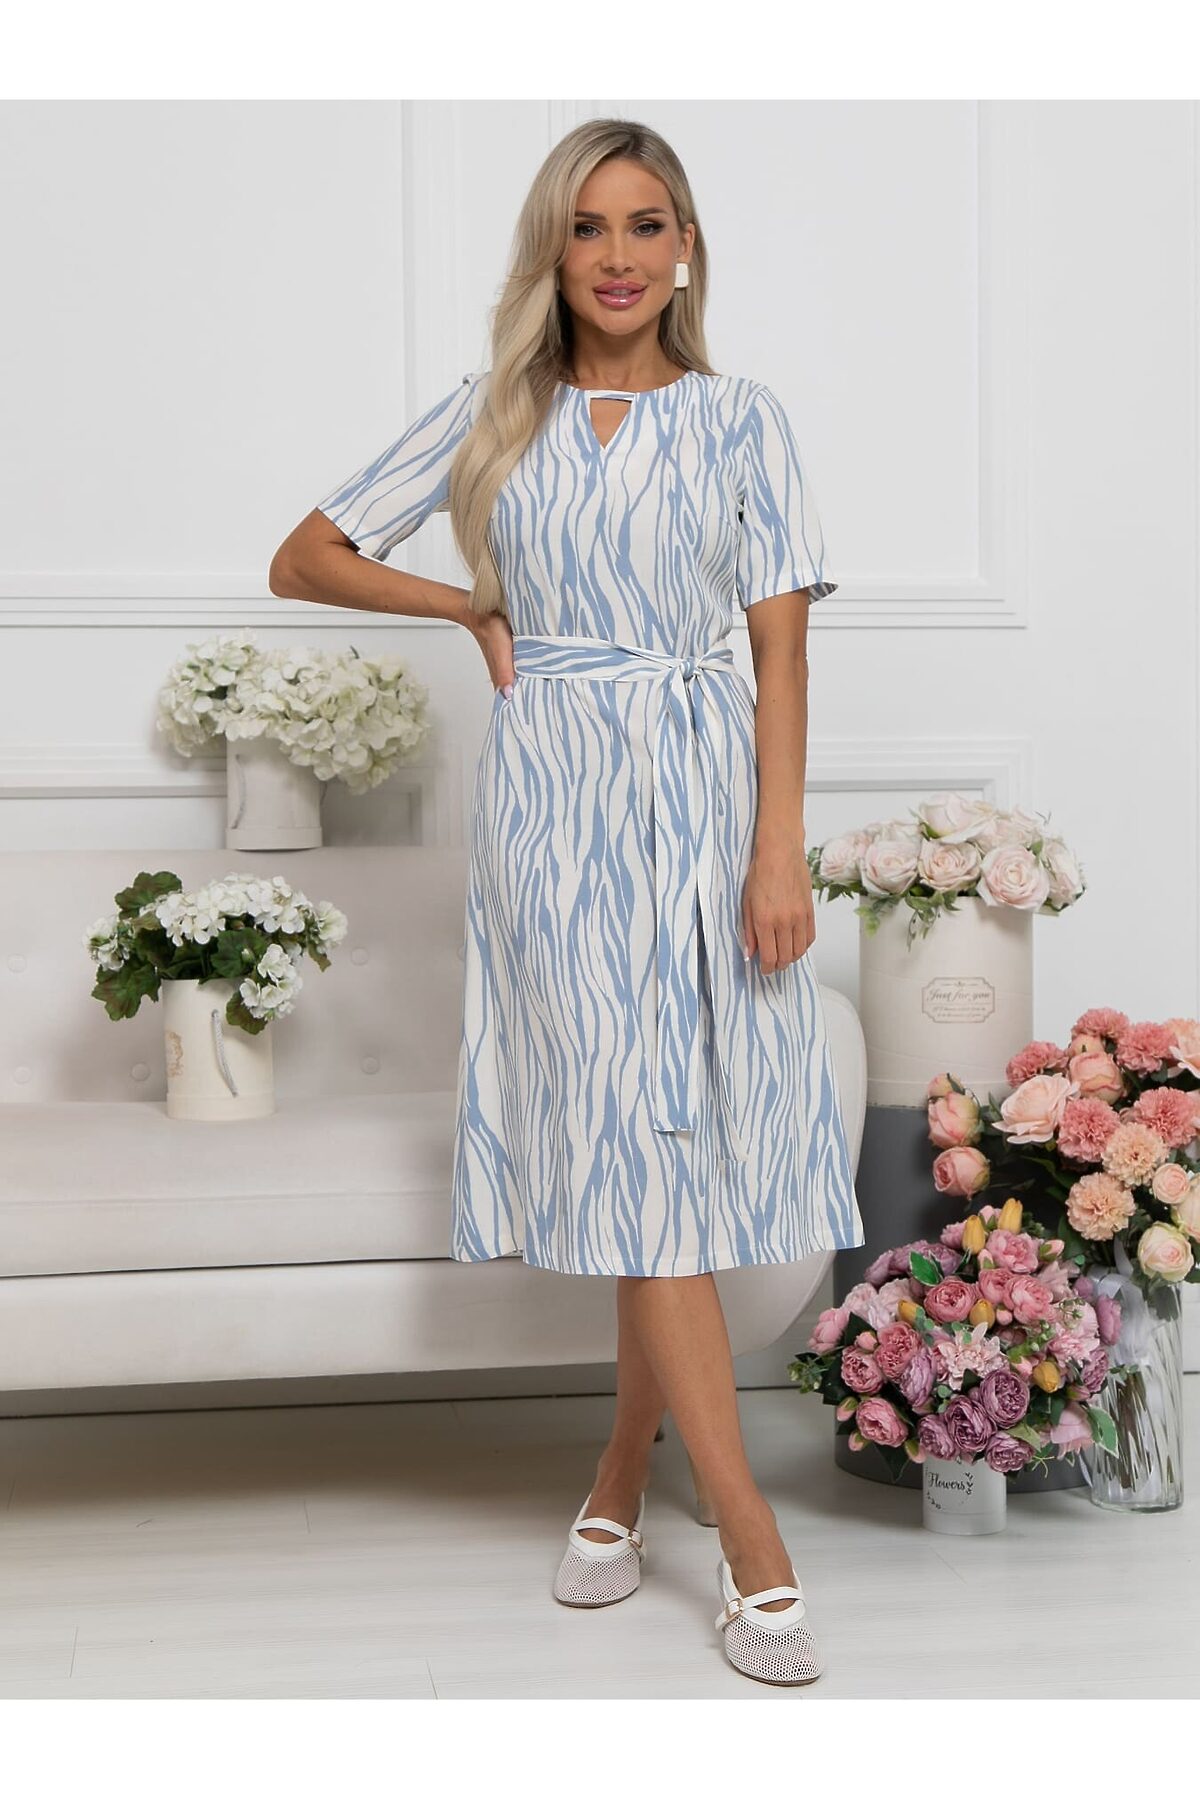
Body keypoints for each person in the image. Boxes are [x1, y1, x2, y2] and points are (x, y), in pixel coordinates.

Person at [269, 116, 865, 1688]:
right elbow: (305, 557)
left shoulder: (741, 420)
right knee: (625, 1139)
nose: (616, 256)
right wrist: (469, 603)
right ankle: (753, 1546)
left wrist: (779, 848)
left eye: (645, 224)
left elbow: (783, 652)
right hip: (551, 814)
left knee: (665, 1147)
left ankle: (616, 1480)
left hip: (704, 798)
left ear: (687, 250)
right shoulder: (497, 413)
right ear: (553, 250)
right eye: (587, 227)